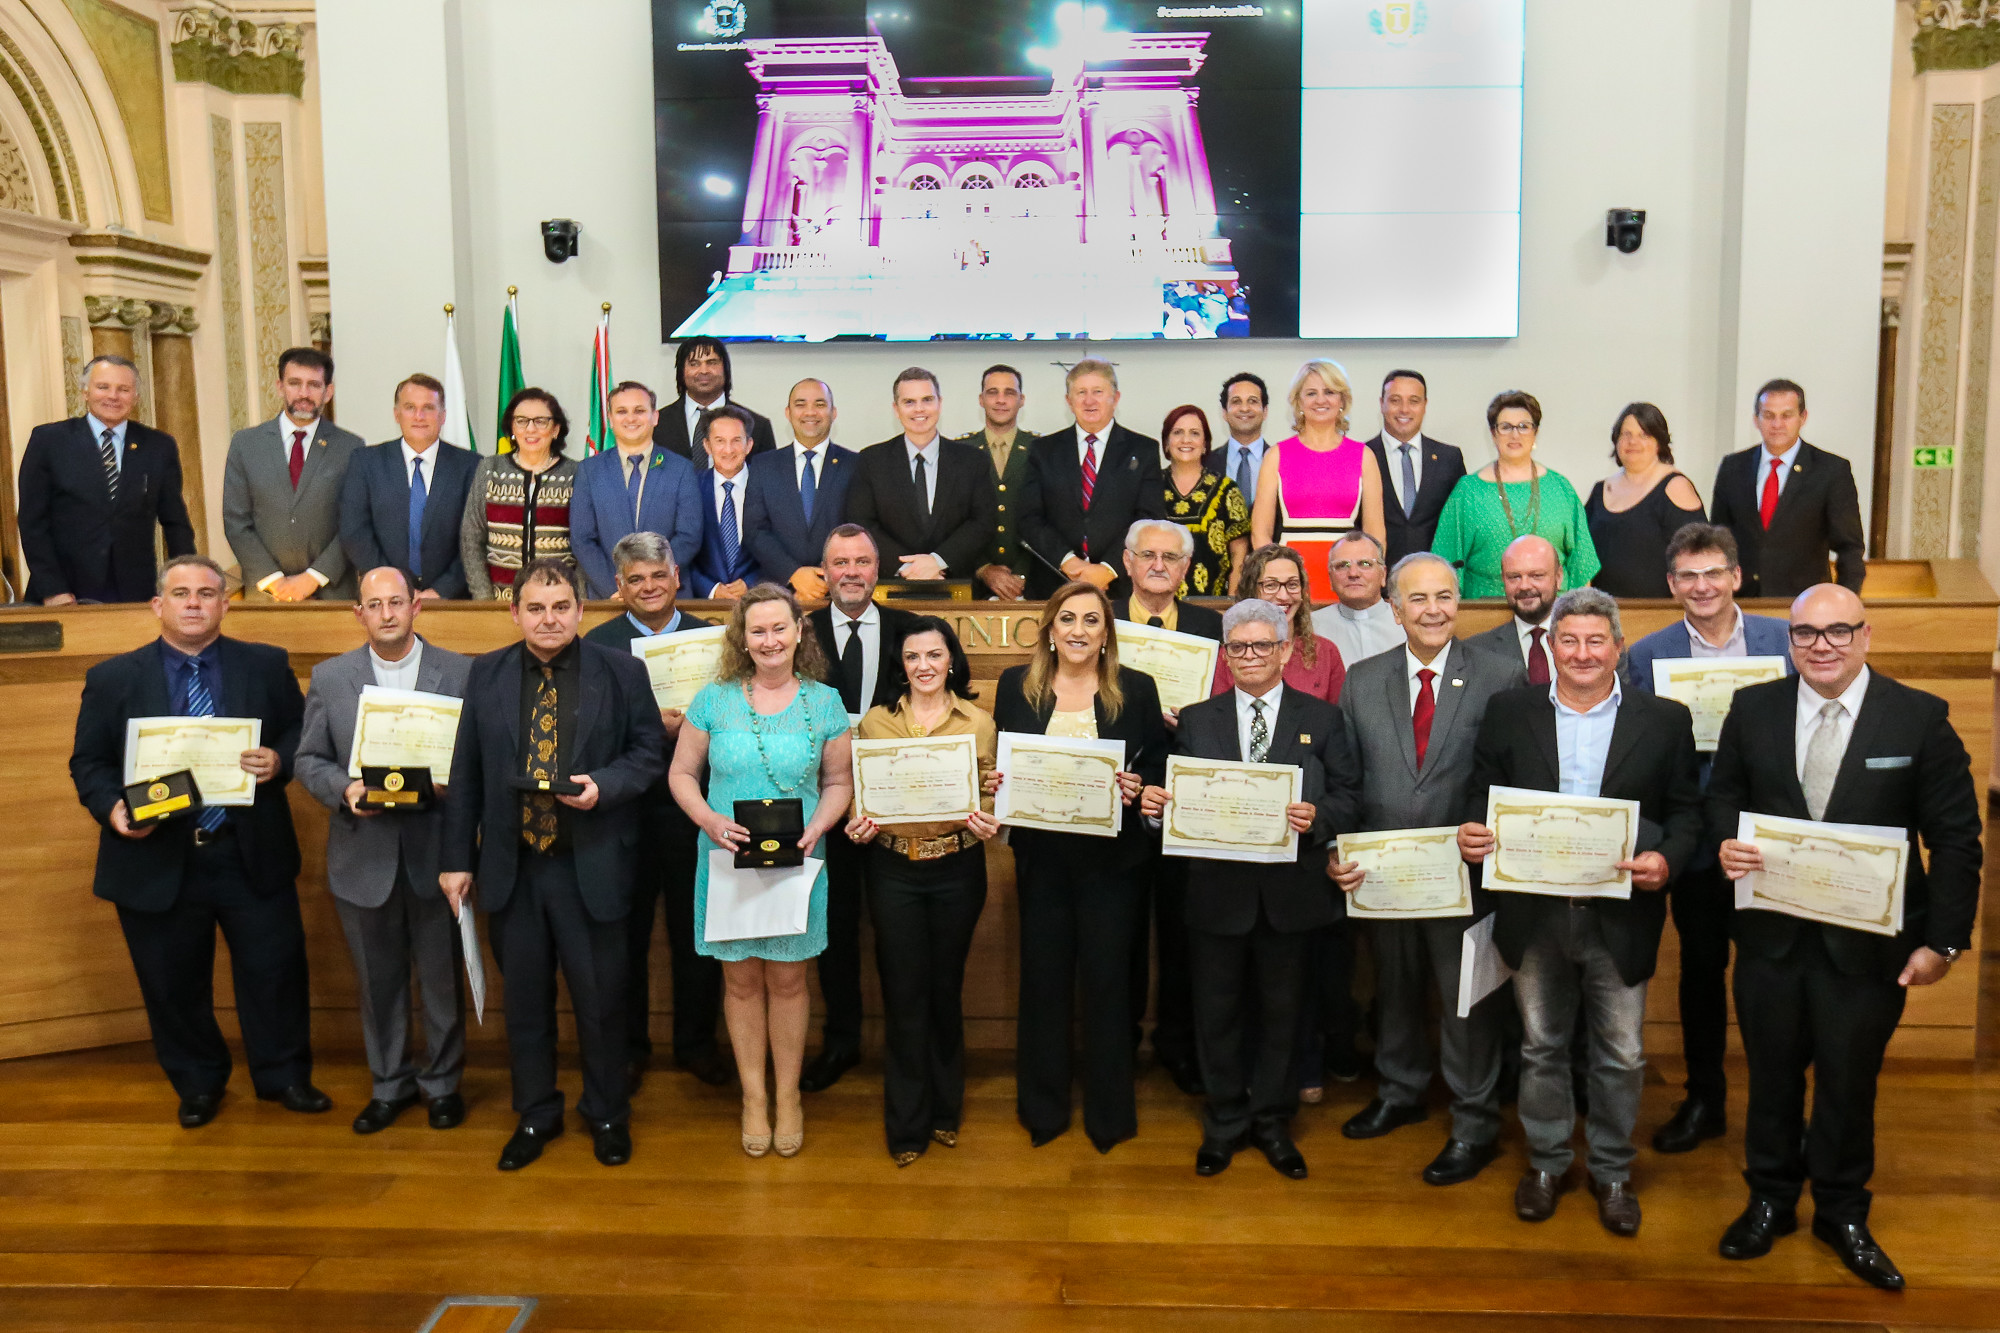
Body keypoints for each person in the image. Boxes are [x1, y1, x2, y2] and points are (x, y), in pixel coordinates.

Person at [1709, 583, 1979, 1291]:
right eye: (1805, 634)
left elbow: (1956, 840)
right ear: (1790, 640)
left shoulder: (1919, 717)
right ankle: (1769, 1199)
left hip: (1869, 952)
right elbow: (1720, 801)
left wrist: (1944, 943)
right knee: (1768, 1079)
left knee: (1848, 1084)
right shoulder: (1754, 708)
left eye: (1836, 631)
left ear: (1866, 635)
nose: (1820, 645)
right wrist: (1723, 844)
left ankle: (1840, 1210)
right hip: (1770, 940)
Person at [1457, 588, 1702, 1236]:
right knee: (1541, 1045)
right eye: (1570, 640)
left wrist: (1666, 862)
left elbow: (1686, 814)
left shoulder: (1666, 719)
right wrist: (1472, 830)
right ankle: (1546, 1161)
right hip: (1533, 912)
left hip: (1621, 915)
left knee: (1621, 1052)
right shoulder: (1510, 710)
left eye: (1597, 641)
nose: (1583, 652)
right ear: (1552, 647)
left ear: (1618, 648)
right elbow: (1479, 794)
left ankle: (1614, 1169)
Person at [66, 554, 327, 1126]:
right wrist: (113, 810)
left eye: (206, 594)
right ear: (158, 605)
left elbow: (299, 728)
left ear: (224, 604)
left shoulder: (265, 664)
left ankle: (284, 1076)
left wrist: (279, 759)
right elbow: (89, 762)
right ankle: (198, 1083)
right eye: (180, 594)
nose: (193, 603)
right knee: (172, 982)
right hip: (156, 856)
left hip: (248, 848)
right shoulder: (113, 678)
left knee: (274, 971)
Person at [441, 557, 667, 1171]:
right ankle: (536, 1112)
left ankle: (608, 1113)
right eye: (535, 608)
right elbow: (466, 773)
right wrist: (457, 859)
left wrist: (606, 785)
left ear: (581, 610)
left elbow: (649, 753)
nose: (548, 619)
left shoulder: (621, 672)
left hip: (589, 862)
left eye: (561, 606)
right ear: (514, 612)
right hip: (512, 869)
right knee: (527, 1004)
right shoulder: (484, 674)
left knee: (601, 1001)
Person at [1141, 599, 1360, 1180]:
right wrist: (1160, 809)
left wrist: (1319, 816)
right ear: (1225, 654)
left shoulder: (1324, 718)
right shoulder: (1197, 718)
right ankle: (1225, 1123)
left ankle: (1272, 1123)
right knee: (1216, 1015)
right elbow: (1173, 799)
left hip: (1293, 896)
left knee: (1283, 1015)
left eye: (1263, 645)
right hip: (1217, 896)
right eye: (1238, 647)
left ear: (1286, 650)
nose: (1250, 657)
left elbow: (1349, 795)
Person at [1328, 553, 1520, 1184]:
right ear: (1393, 607)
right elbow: (1347, 779)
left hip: (1463, 875)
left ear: (1458, 602)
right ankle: (1400, 1091)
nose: (1433, 610)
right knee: (1395, 989)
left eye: (1444, 597)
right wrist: (1340, 851)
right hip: (1383, 876)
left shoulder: (1501, 676)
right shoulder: (1361, 678)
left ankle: (1474, 1124)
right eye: (1418, 599)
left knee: (1469, 1004)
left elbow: (1511, 773)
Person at [1625, 523, 1793, 1155]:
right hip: (1696, 841)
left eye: (1713, 572)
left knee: (1773, 973)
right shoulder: (1648, 654)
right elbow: (1644, 748)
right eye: (1688, 576)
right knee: (1702, 971)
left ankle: (1777, 1107)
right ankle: (1705, 1099)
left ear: (1736, 576)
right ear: (1672, 585)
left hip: (1771, 838)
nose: (1702, 586)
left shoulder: (1783, 641)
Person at [669, 585, 855, 1158]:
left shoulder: (825, 703)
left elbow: (839, 782)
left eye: (780, 628)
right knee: (742, 982)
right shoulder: (714, 699)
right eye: (758, 631)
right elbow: (681, 773)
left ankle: (789, 1095)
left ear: (800, 631)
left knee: (791, 981)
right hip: (726, 859)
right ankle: (754, 1097)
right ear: (742, 639)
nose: (770, 640)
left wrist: (820, 826)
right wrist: (706, 819)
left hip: (800, 861)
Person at [992, 581, 1169, 1152]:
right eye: (1066, 618)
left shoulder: (1136, 689)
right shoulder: (1015, 686)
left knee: (1109, 984)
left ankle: (1109, 1114)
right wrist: (997, 782)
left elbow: (1158, 765)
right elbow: (1004, 763)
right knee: (1043, 981)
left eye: (1091, 621)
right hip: (1042, 859)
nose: (1077, 630)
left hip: (1114, 862)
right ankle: (1042, 1109)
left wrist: (1142, 786)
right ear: (1048, 626)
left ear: (1105, 633)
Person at [295, 566, 471, 1133]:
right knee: (378, 981)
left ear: (417, 606)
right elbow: (307, 760)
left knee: (441, 980)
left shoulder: (462, 672)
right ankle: (389, 1084)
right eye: (375, 604)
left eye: (398, 602)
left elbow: (480, 761)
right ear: (359, 613)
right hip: (362, 853)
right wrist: (345, 790)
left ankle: (443, 1085)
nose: (388, 613)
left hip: (437, 852)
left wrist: (453, 780)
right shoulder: (330, 676)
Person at [844, 618, 1001, 1165]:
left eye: (935, 655)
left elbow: (989, 792)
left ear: (952, 660)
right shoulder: (875, 722)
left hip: (958, 869)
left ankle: (944, 1110)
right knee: (904, 994)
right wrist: (856, 822)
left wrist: (991, 818)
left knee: (944, 988)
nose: (925, 666)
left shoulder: (979, 722)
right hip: (893, 872)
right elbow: (858, 794)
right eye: (914, 657)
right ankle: (906, 1124)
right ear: (901, 665)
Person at [582, 533, 728, 1090]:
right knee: (625, 937)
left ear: (675, 575)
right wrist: (648, 723)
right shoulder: (598, 645)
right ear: (618, 587)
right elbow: (591, 735)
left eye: (657, 575)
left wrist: (695, 729)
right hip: (624, 813)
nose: (649, 587)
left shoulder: (713, 639)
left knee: (696, 935)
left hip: (697, 808)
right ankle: (629, 1048)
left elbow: (737, 713)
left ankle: (696, 1044)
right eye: (635, 579)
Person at [802, 525, 920, 1092]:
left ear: (879, 569)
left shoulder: (911, 631)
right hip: (825, 810)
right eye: (840, 562)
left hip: (898, 809)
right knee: (837, 932)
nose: (851, 571)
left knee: (900, 936)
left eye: (863, 561)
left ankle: (907, 1046)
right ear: (824, 572)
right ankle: (842, 1040)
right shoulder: (800, 633)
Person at [1112, 518, 1223, 1097]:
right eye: (1147, 555)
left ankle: (1180, 1043)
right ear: (1127, 562)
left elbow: (1230, 704)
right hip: (1123, 794)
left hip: (1188, 794)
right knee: (1124, 930)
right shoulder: (1099, 617)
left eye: (1171, 557)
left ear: (1186, 568)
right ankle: (1121, 1042)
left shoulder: (1211, 625)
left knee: (1184, 932)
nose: (1159, 565)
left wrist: (1195, 718)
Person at [20, 354, 196, 604]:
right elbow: (32, 523)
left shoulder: (159, 446)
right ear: (85, 392)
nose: (113, 396)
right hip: (64, 593)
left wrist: (185, 584)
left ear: (135, 397)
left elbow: (176, 522)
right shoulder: (49, 441)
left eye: (123, 389)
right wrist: (53, 589)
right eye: (103, 387)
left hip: (135, 593)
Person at [222, 347, 366, 602]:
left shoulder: (350, 447)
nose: (303, 394)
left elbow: (354, 523)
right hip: (266, 594)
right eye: (294, 383)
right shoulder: (246, 444)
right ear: (279, 387)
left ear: (328, 392)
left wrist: (314, 577)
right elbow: (236, 521)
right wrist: (273, 580)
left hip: (332, 594)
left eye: (313, 385)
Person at [1016, 359, 1165, 599]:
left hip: (1122, 587)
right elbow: (1029, 518)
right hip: (1054, 584)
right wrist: (1070, 564)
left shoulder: (1143, 449)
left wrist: (1106, 570)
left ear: (1115, 398)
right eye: (1081, 392)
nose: (1089, 400)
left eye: (1098, 392)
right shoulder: (1043, 451)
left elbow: (1148, 518)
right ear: (1069, 401)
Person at [1432, 391, 1600, 599]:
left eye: (1523, 426)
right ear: (1493, 434)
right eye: (1505, 427)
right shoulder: (1468, 493)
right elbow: (1444, 566)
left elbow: (1581, 564)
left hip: (1553, 613)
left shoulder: (1560, 488)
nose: (1515, 434)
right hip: (1485, 611)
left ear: (1535, 433)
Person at [1708, 380, 1866, 598]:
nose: (1777, 424)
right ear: (1756, 420)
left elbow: (1850, 547)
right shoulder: (1733, 467)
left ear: (1803, 418)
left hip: (1804, 603)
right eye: (1769, 415)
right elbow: (1717, 538)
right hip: (1741, 601)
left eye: (1787, 415)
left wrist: (1846, 600)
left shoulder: (1831, 470)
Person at [845, 368, 998, 587]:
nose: (919, 409)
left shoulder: (972, 461)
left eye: (927, 400)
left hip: (955, 584)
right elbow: (862, 523)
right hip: (891, 584)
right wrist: (910, 568)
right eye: (909, 402)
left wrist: (937, 562)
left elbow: (983, 522)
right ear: (896, 409)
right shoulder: (871, 460)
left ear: (940, 403)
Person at [1250, 360, 1387, 602]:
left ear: (1342, 400)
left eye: (1330, 392)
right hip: (1290, 581)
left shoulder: (1364, 456)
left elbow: (1375, 534)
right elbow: (1260, 534)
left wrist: (1366, 580)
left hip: (1348, 576)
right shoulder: (1276, 456)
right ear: (1299, 401)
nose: (1320, 400)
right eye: (1311, 393)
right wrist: (1278, 581)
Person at [339, 374, 478, 599]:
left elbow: (475, 539)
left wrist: (441, 590)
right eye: (410, 407)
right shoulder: (366, 462)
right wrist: (393, 587)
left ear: (443, 416)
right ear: (396, 414)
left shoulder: (471, 466)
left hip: (451, 600)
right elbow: (355, 532)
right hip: (384, 597)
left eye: (429, 408)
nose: (419, 416)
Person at [568, 380, 704, 599]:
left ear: (655, 417)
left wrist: (654, 582)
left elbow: (689, 536)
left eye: (639, 411)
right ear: (610, 420)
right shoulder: (589, 471)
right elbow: (582, 539)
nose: (630, 418)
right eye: (622, 411)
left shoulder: (682, 469)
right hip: (609, 596)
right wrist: (618, 587)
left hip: (668, 595)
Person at [744, 378, 858, 602]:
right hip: (778, 592)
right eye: (800, 404)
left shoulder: (856, 465)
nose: (810, 412)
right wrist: (794, 573)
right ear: (788, 413)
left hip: (840, 591)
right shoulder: (763, 465)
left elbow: (859, 529)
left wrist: (828, 576)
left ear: (833, 412)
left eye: (819, 404)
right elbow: (755, 531)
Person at [461, 388, 579, 600]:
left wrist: (575, 596)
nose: (530, 429)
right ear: (512, 428)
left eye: (541, 421)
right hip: (499, 601)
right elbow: (471, 538)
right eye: (522, 421)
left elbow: (583, 544)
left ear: (555, 429)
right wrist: (483, 599)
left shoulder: (575, 474)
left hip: (558, 601)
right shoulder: (490, 469)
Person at [1585, 403, 1706, 599]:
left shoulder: (1675, 486)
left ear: (1659, 442)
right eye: (1626, 434)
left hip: (1658, 611)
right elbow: (1583, 552)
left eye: (1643, 435)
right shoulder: (1601, 490)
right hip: (1603, 611)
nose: (1633, 442)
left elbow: (1696, 556)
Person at [1216, 544, 1345, 704]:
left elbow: (1337, 721)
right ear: (1251, 590)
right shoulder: (1229, 654)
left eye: (1292, 584)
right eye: (1270, 585)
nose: (1284, 596)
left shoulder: (1326, 653)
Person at [1366, 369, 1466, 565]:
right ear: (1381, 404)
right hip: (1379, 582)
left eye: (1414, 401)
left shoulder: (1449, 458)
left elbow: (1458, 525)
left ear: (1425, 405)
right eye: (1395, 400)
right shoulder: (1362, 456)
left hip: (1435, 579)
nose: (1404, 409)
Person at [960, 364, 1038, 601]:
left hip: (1034, 583)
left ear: (1021, 400)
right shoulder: (960, 452)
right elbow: (954, 520)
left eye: (1010, 393)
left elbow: (1049, 518)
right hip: (973, 584)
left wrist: (1021, 576)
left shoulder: (1042, 450)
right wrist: (984, 568)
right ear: (981, 399)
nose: (1001, 400)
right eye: (993, 392)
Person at [1161, 404, 1251, 597]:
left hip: (1214, 607)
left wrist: (1231, 604)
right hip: (1157, 606)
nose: (1186, 440)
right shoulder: (1150, 486)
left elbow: (1239, 555)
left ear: (1204, 444)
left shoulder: (1226, 489)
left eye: (1194, 433)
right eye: (1177, 432)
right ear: (1166, 443)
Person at [658, 337, 777, 462]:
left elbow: (768, 478)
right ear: (681, 372)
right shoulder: (656, 425)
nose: (704, 371)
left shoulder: (758, 427)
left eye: (712, 363)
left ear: (725, 369)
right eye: (694, 364)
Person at [687, 405, 763, 599]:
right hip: (703, 605)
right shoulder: (690, 486)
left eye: (736, 441)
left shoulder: (768, 486)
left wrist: (751, 583)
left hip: (758, 600)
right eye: (719, 441)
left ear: (749, 444)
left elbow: (780, 546)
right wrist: (711, 589)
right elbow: (681, 549)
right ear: (707, 446)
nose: (728, 450)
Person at [1465, 534, 1562, 685]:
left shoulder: (1588, 645)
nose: (1524, 586)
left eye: (1536, 576)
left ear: (1558, 577)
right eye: (1514, 577)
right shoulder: (1476, 651)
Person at [1310, 530, 1402, 669]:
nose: (1353, 573)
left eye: (1365, 564)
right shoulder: (1311, 627)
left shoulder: (1407, 623)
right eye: (1342, 565)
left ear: (1383, 574)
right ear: (1330, 579)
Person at [1204, 372, 1273, 511]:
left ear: (1265, 411)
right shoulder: (1205, 464)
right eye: (1236, 401)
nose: (1244, 408)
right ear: (1224, 412)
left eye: (1253, 401)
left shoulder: (1281, 462)